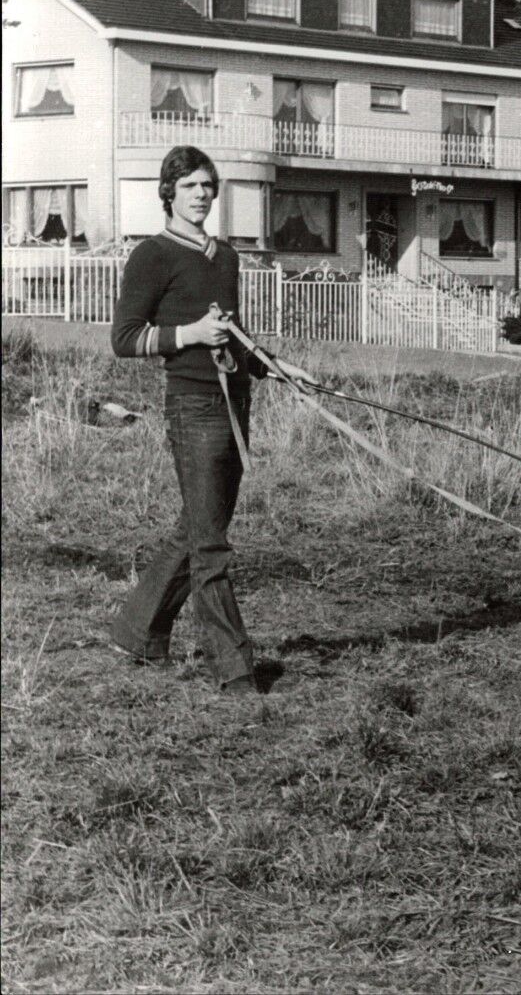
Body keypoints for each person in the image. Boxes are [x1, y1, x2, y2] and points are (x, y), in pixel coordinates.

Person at [108, 145, 309, 694]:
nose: (202, 195)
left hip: (236, 400)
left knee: (198, 531)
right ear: (168, 191)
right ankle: (235, 667)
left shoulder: (225, 257)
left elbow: (234, 340)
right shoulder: (152, 255)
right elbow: (124, 339)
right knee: (211, 545)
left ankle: (136, 631)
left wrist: (275, 366)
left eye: (208, 186)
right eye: (191, 185)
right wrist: (189, 335)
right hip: (191, 407)